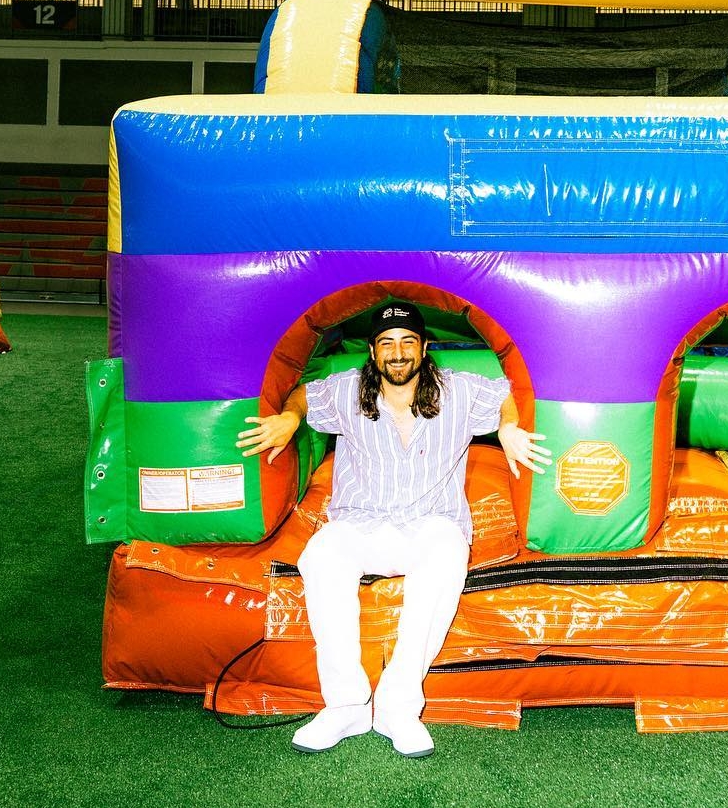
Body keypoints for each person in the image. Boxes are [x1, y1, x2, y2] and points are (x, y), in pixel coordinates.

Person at [235, 300, 550, 758]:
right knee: (320, 555)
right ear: (372, 351)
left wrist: (508, 427)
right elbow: (305, 393)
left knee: (448, 551)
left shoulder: (458, 390)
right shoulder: (347, 390)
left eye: (407, 342)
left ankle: (397, 707)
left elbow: (506, 392)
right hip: (361, 522)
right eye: (386, 343)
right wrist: (289, 418)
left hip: (429, 524)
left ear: (424, 347)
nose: (397, 353)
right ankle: (345, 705)